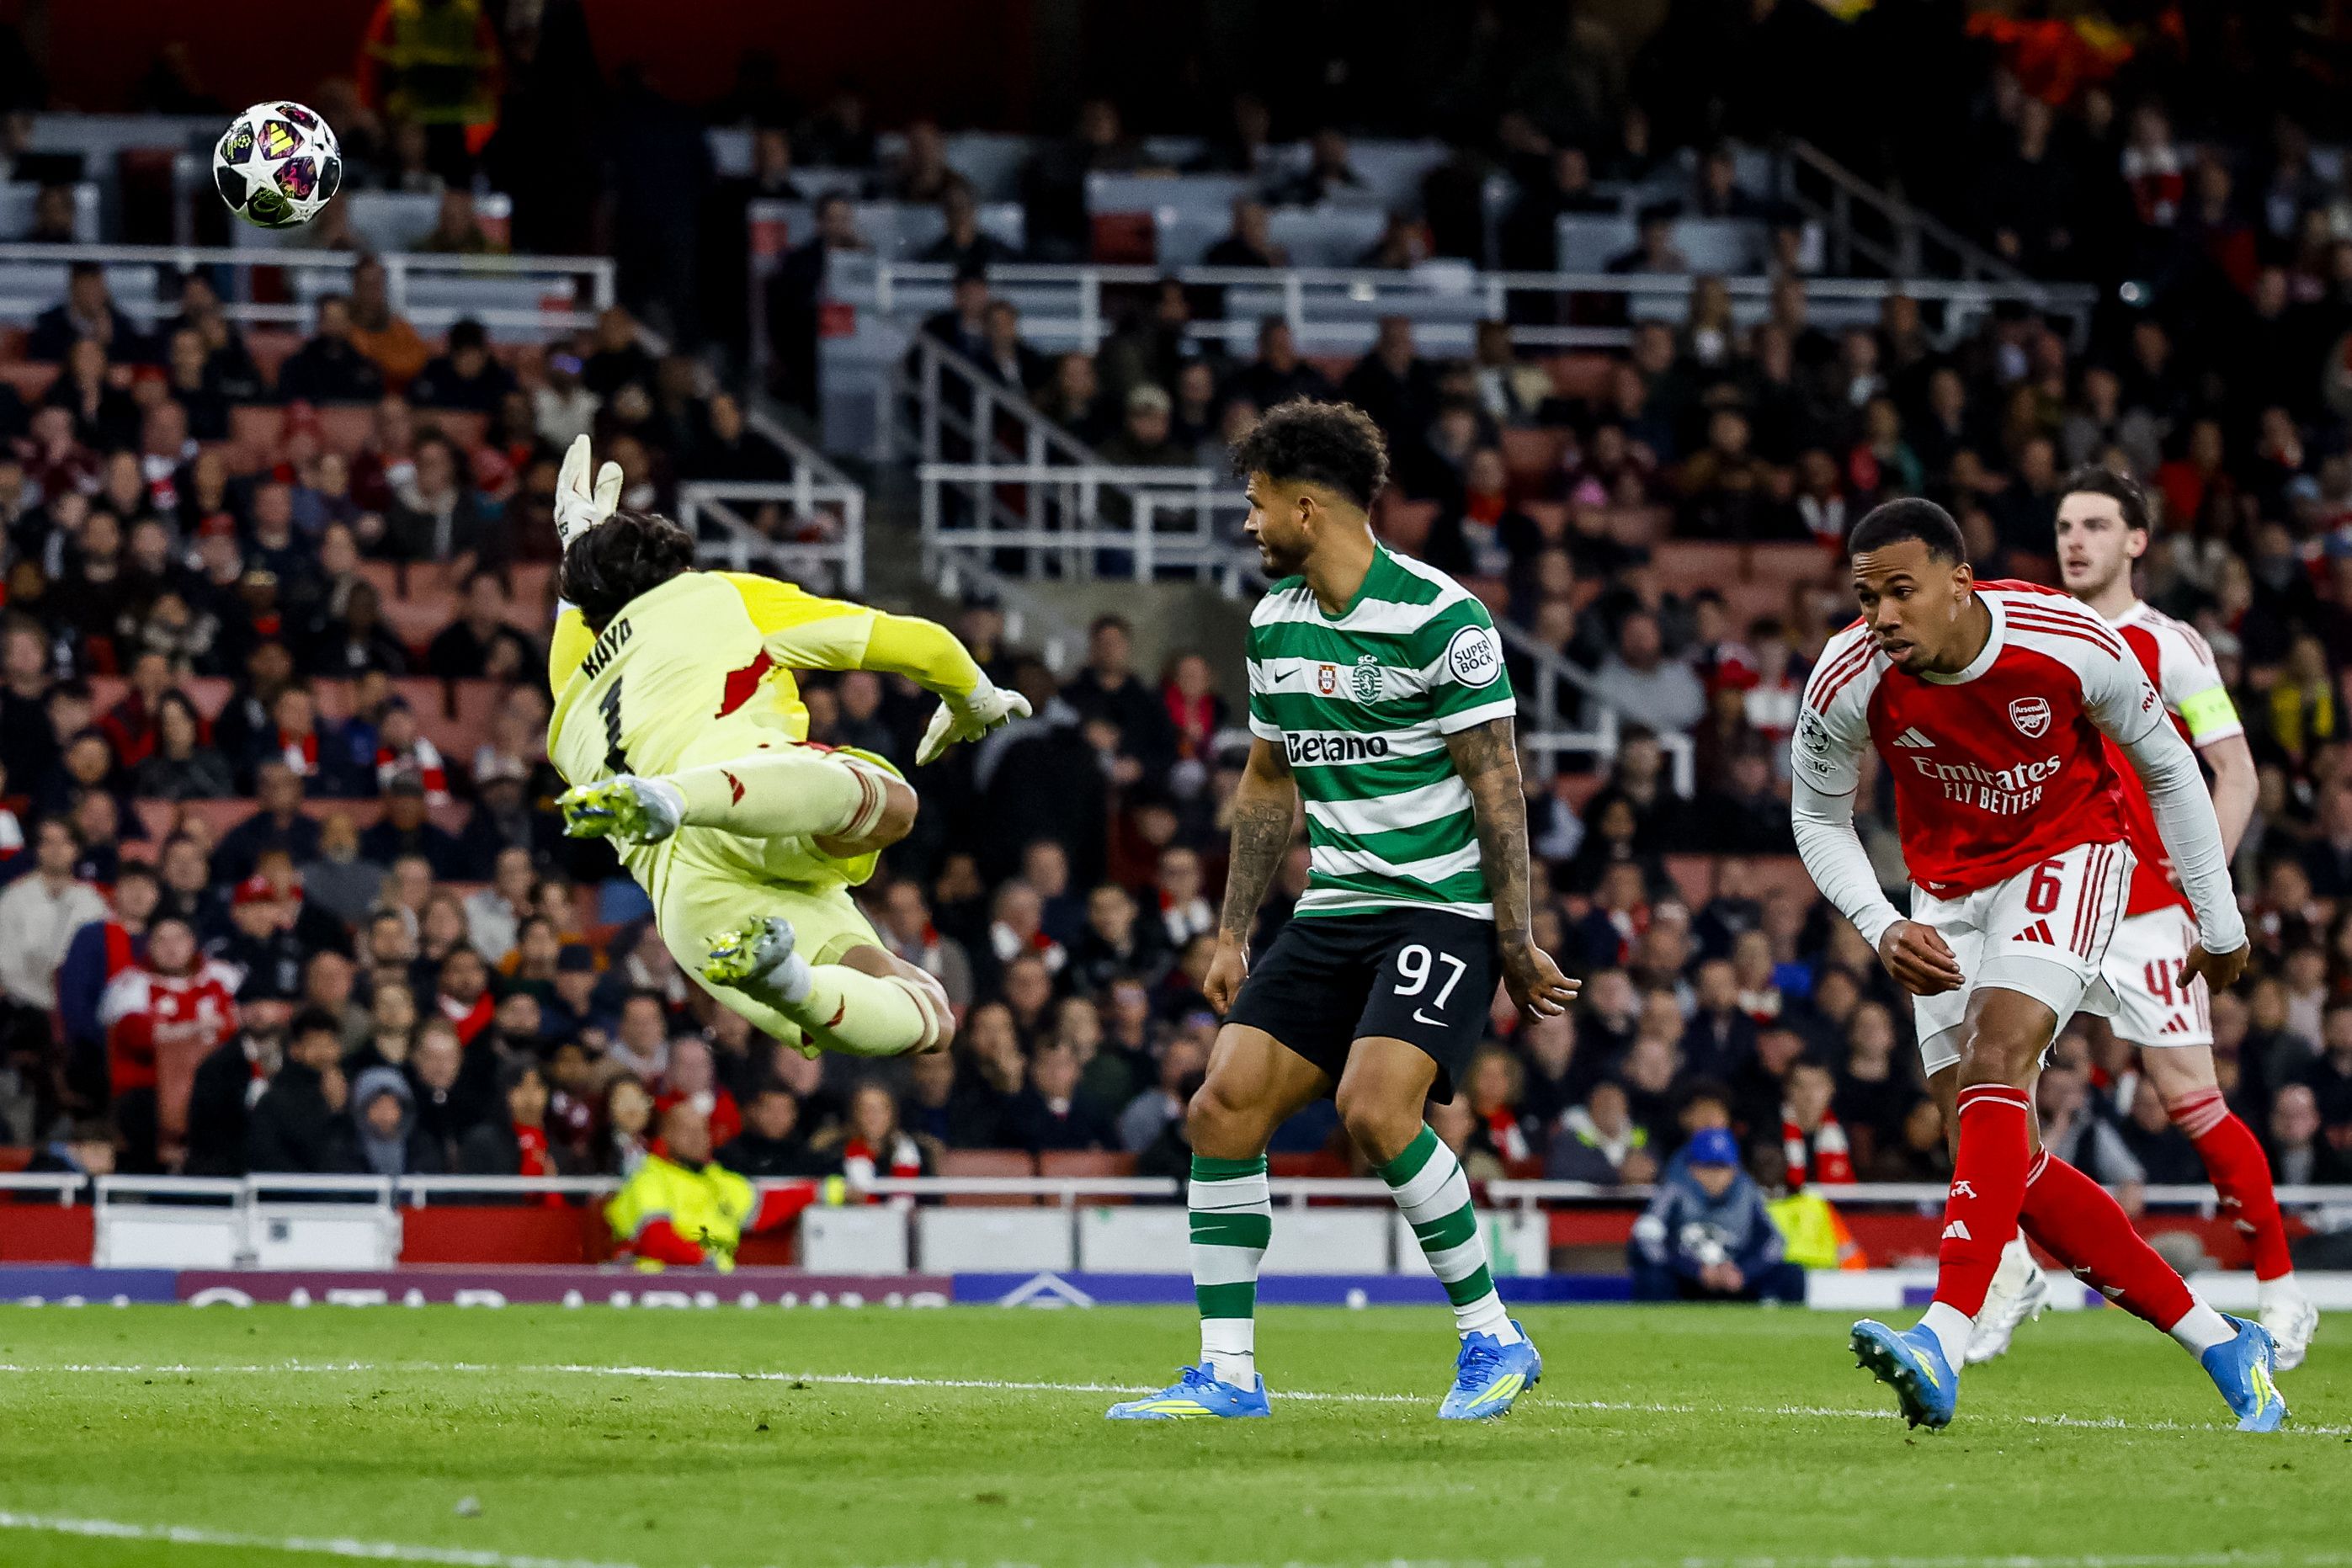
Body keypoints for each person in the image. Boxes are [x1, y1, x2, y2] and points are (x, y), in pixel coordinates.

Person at [1107, 401, 1578, 1424]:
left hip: (1441, 910)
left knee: (1374, 1110)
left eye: (1257, 502)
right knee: (1220, 1108)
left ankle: (1492, 1336)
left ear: (1306, 507)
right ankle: (1228, 1371)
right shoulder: (1274, 623)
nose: (1248, 522)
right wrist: (1232, 930)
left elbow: (1496, 782)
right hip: (1334, 911)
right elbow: (1269, 781)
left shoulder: (1440, 617)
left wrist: (1514, 936)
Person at [1791, 497, 2280, 1433]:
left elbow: (2172, 769)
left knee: (1995, 1056)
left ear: (1959, 583)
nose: (1881, 616)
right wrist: (1877, 922)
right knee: (1997, 1153)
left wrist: (2216, 925)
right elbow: (1817, 817)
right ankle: (2222, 1340)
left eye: (1901, 592)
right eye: (1865, 598)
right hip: (1944, 889)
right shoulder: (1847, 674)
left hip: (2071, 852)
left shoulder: (2066, 639)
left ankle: (1940, 1333)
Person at [1965, 469, 2315, 1367]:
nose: (2073, 540)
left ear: (2136, 541)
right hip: (2051, 888)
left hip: (2152, 910)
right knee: (1994, 1080)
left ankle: (2281, 1298)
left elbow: (2233, 772)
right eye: (2061, 526)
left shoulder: (2173, 648)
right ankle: (2006, 1269)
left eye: (2093, 525)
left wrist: (2210, 897)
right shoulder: (2030, 633)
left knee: (2188, 1100)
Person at [541, 438, 1019, 1063]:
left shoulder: (567, 698)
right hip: (747, 797)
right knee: (896, 805)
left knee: (929, 1012)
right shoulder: (711, 598)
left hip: (689, 900)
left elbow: (578, 627)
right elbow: (915, 644)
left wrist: (581, 551)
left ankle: (792, 982)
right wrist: (973, 697)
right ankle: (675, 796)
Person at [605, 1101, 833, 1271]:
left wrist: (830, 1191)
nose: (697, 1138)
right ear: (666, 1135)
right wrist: (704, 1262)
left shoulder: (720, 1181)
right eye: (687, 1130)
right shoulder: (648, 1178)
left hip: (713, 1284)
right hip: (654, 1283)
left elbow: (771, 1203)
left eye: (702, 1130)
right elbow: (656, 1239)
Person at [1627, 1128, 1806, 1301]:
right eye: (1708, 1167)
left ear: (1734, 1169)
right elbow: (1647, 1237)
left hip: (1735, 1278)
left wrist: (1742, 1271)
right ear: (1692, 1168)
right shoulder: (1673, 1190)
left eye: (1722, 1167)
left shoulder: (1747, 1192)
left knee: (1792, 1274)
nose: (1715, 1175)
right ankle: (1657, 1328)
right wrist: (1696, 1270)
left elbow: (1774, 1241)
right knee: (1651, 1277)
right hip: (1686, 1279)